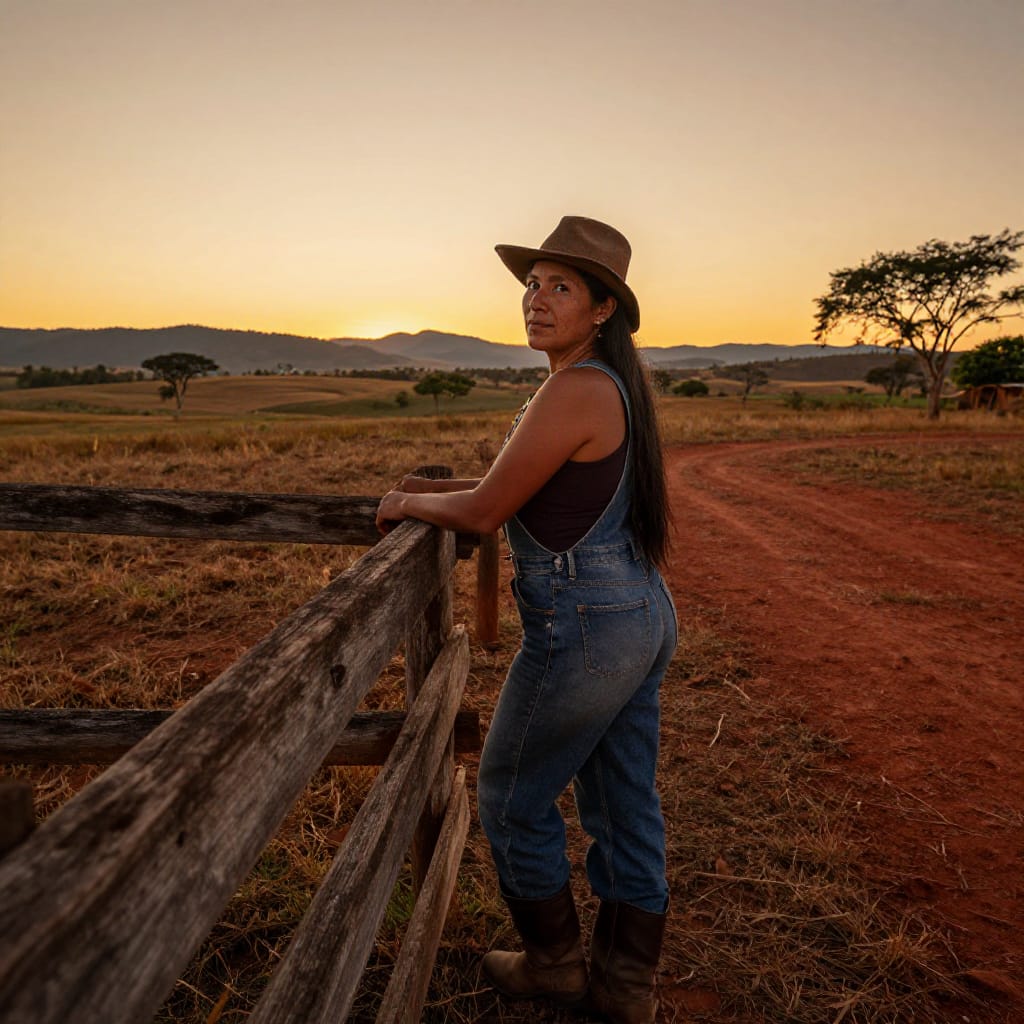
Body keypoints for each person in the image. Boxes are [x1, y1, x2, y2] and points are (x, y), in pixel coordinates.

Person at [376, 215, 677, 1024]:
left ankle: (555, 965)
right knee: (623, 802)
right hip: (638, 609)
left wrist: (405, 500)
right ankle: (626, 987)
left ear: (603, 308)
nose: (536, 302)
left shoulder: (576, 387)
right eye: (532, 286)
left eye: (561, 288)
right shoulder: (608, 386)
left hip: (584, 623)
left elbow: (483, 511)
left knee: (511, 794)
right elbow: (516, 485)